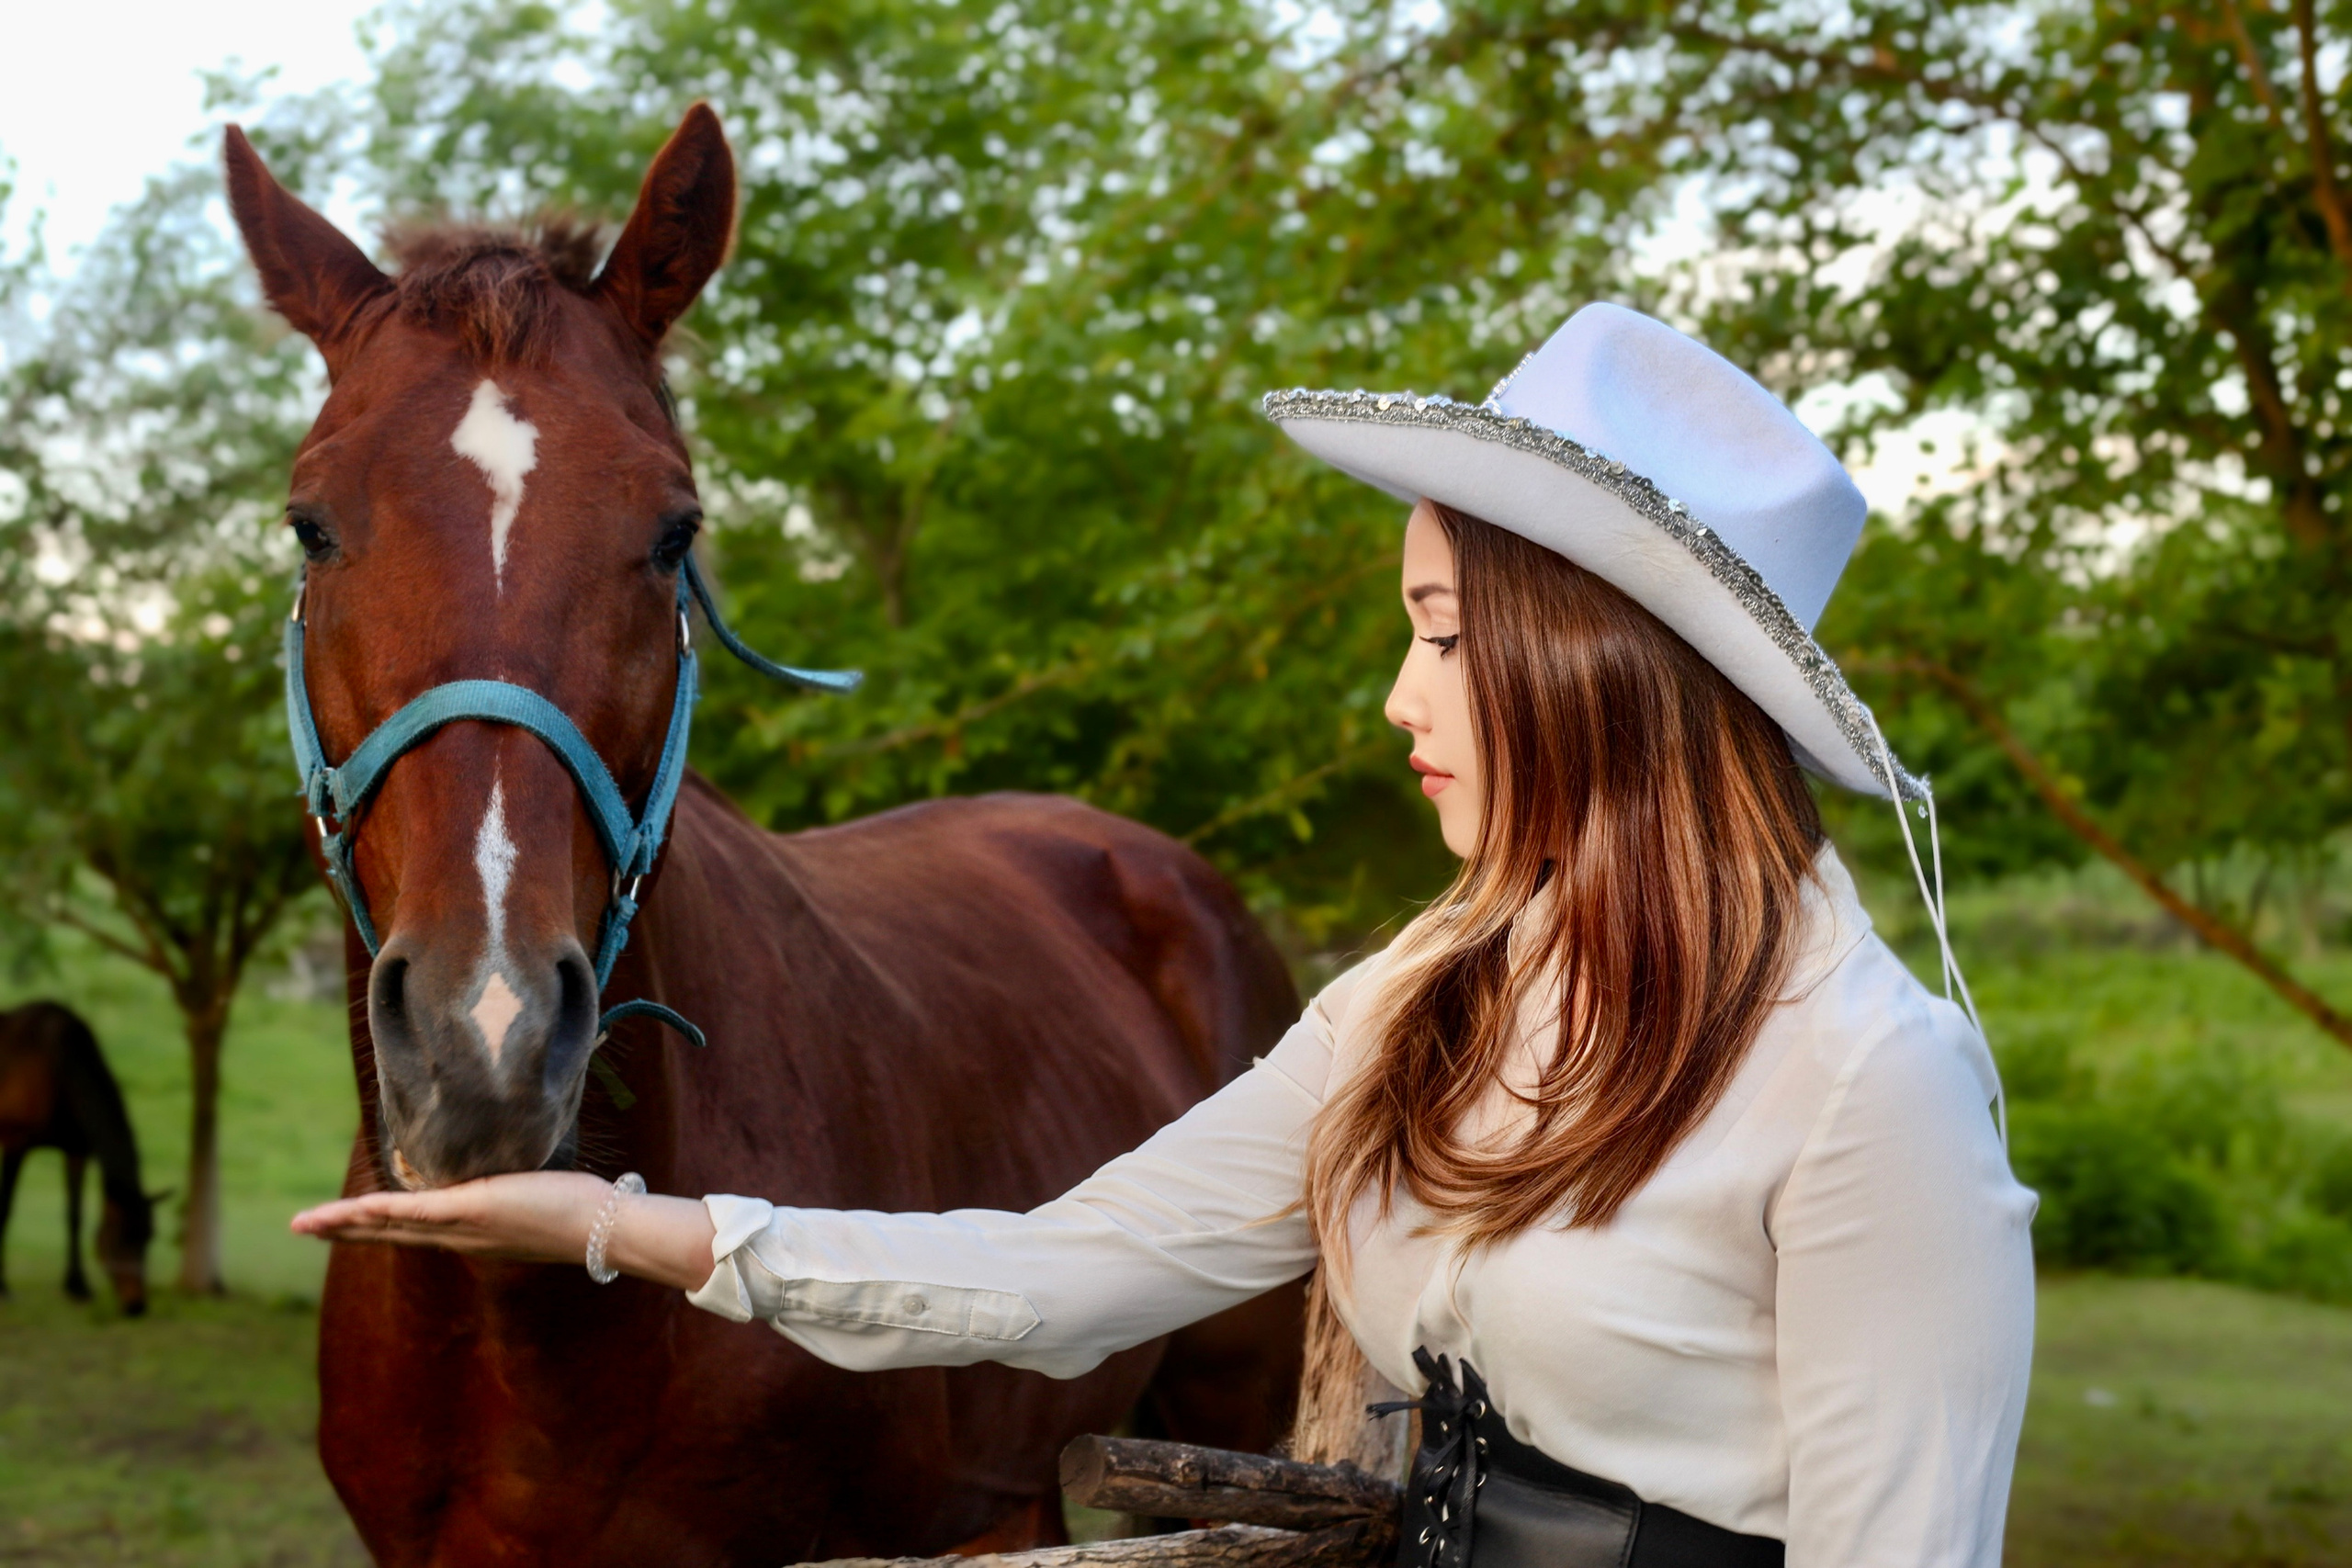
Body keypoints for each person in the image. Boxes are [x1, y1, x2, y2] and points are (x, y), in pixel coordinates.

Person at [294, 303, 2036, 1568]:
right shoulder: (1431, 998)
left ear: (1598, 662)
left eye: (1438, 636)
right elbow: (1066, 1274)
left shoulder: (1866, 1086)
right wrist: (622, 1226)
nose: (1393, 698)